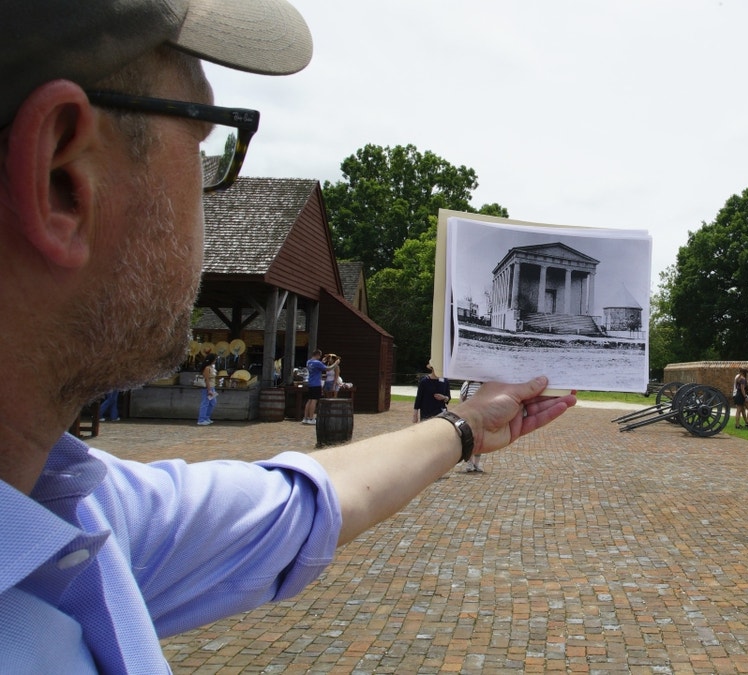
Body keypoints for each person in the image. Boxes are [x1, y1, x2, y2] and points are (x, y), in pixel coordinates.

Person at [0, 2, 576, 670]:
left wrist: (468, 424)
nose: (211, 190)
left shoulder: (76, 508)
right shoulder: (86, 518)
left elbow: (301, 503)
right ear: (64, 178)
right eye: (205, 143)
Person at [459, 381, 485, 472]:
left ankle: (476, 463)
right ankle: (470, 463)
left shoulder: (484, 385)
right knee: (469, 439)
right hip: (469, 416)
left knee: (479, 439)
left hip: (480, 416)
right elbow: (462, 398)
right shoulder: (467, 384)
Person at [302, 348, 328, 424]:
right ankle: (311, 418)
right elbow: (328, 368)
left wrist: (322, 362)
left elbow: (317, 367)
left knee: (309, 400)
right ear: (318, 355)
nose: (320, 357)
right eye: (320, 356)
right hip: (316, 384)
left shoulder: (309, 362)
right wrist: (336, 363)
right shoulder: (317, 363)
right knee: (314, 400)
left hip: (310, 383)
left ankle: (305, 418)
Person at [197, 353, 219, 426]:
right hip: (208, 387)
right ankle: (201, 419)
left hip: (212, 386)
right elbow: (207, 379)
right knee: (205, 403)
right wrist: (209, 390)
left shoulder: (211, 367)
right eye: (215, 359)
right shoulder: (207, 368)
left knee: (213, 402)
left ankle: (206, 417)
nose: (215, 361)